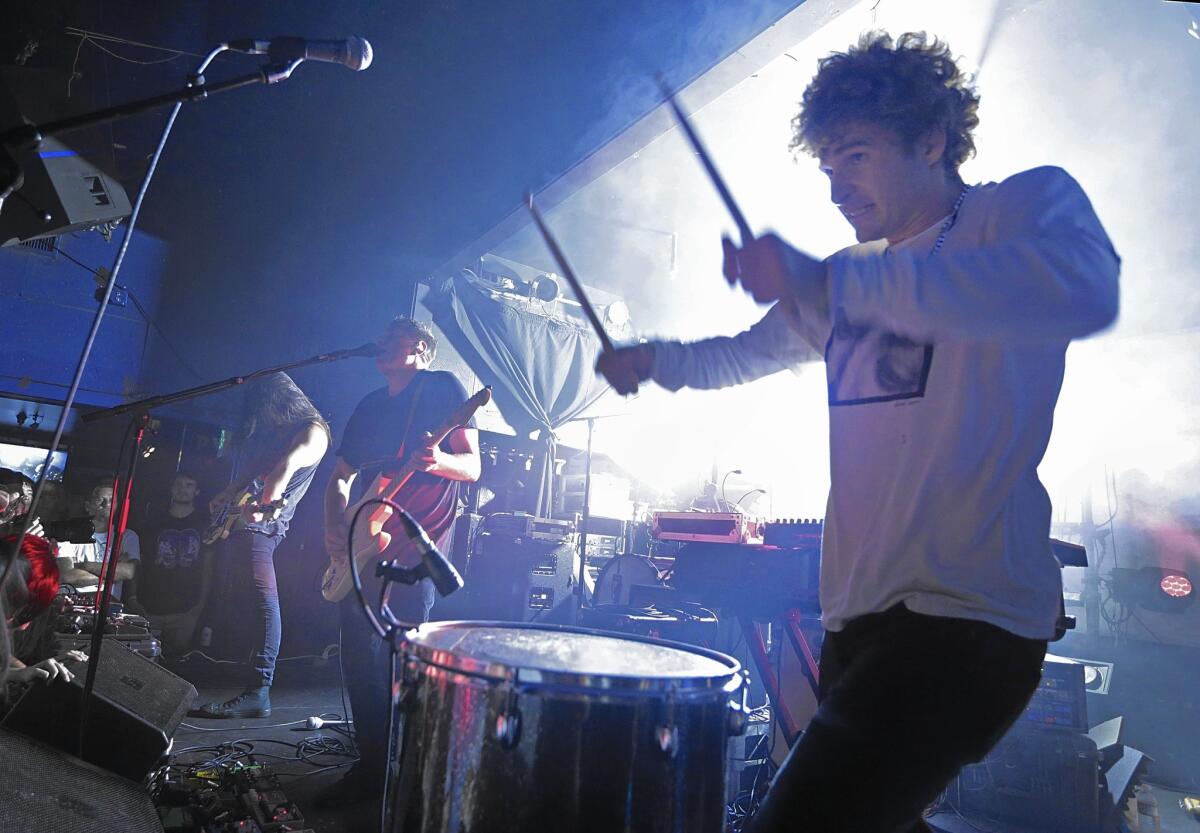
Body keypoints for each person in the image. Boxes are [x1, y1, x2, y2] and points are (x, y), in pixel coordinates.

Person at [597, 32, 1120, 833]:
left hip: (969, 615)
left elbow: (1086, 288)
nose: (838, 187)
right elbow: (741, 355)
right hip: (858, 610)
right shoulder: (849, 268)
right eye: (829, 166)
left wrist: (829, 279)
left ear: (931, 138)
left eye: (857, 157)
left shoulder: (1015, 209)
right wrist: (653, 359)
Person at [321, 315, 480, 803]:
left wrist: (437, 461)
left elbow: (471, 467)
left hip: (416, 543)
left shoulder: (442, 388)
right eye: (383, 336)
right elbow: (340, 476)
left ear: (422, 349)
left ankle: (410, 772)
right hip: (361, 542)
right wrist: (335, 525)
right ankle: (371, 768)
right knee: (359, 662)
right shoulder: (369, 405)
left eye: (398, 337)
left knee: (401, 660)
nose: (385, 343)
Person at [194, 373, 330, 718]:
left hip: (265, 527)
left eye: (267, 412)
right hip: (248, 525)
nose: (266, 420)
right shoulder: (285, 433)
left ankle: (259, 690)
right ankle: (252, 683)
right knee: (252, 602)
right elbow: (259, 466)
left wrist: (267, 500)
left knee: (265, 602)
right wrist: (230, 491)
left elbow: (282, 471)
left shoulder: (312, 433)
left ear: (280, 404)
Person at [127, 471, 212, 658]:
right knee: (145, 662)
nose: (183, 490)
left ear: (197, 491)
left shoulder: (204, 524)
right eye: (179, 485)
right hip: (149, 607)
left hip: (186, 609)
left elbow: (208, 566)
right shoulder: (153, 522)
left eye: (189, 485)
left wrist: (200, 605)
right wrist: (132, 598)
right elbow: (138, 561)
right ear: (171, 488)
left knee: (178, 665)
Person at [55, 483, 140, 601]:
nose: (107, 505)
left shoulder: (127, 536)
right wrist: (114, 575)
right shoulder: (69, 533)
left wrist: (84, 565)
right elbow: (67, 575)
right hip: (74, 605)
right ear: (87, 506)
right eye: (100, 500)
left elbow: (129, 571)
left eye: (112, 500)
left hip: (109, 608)